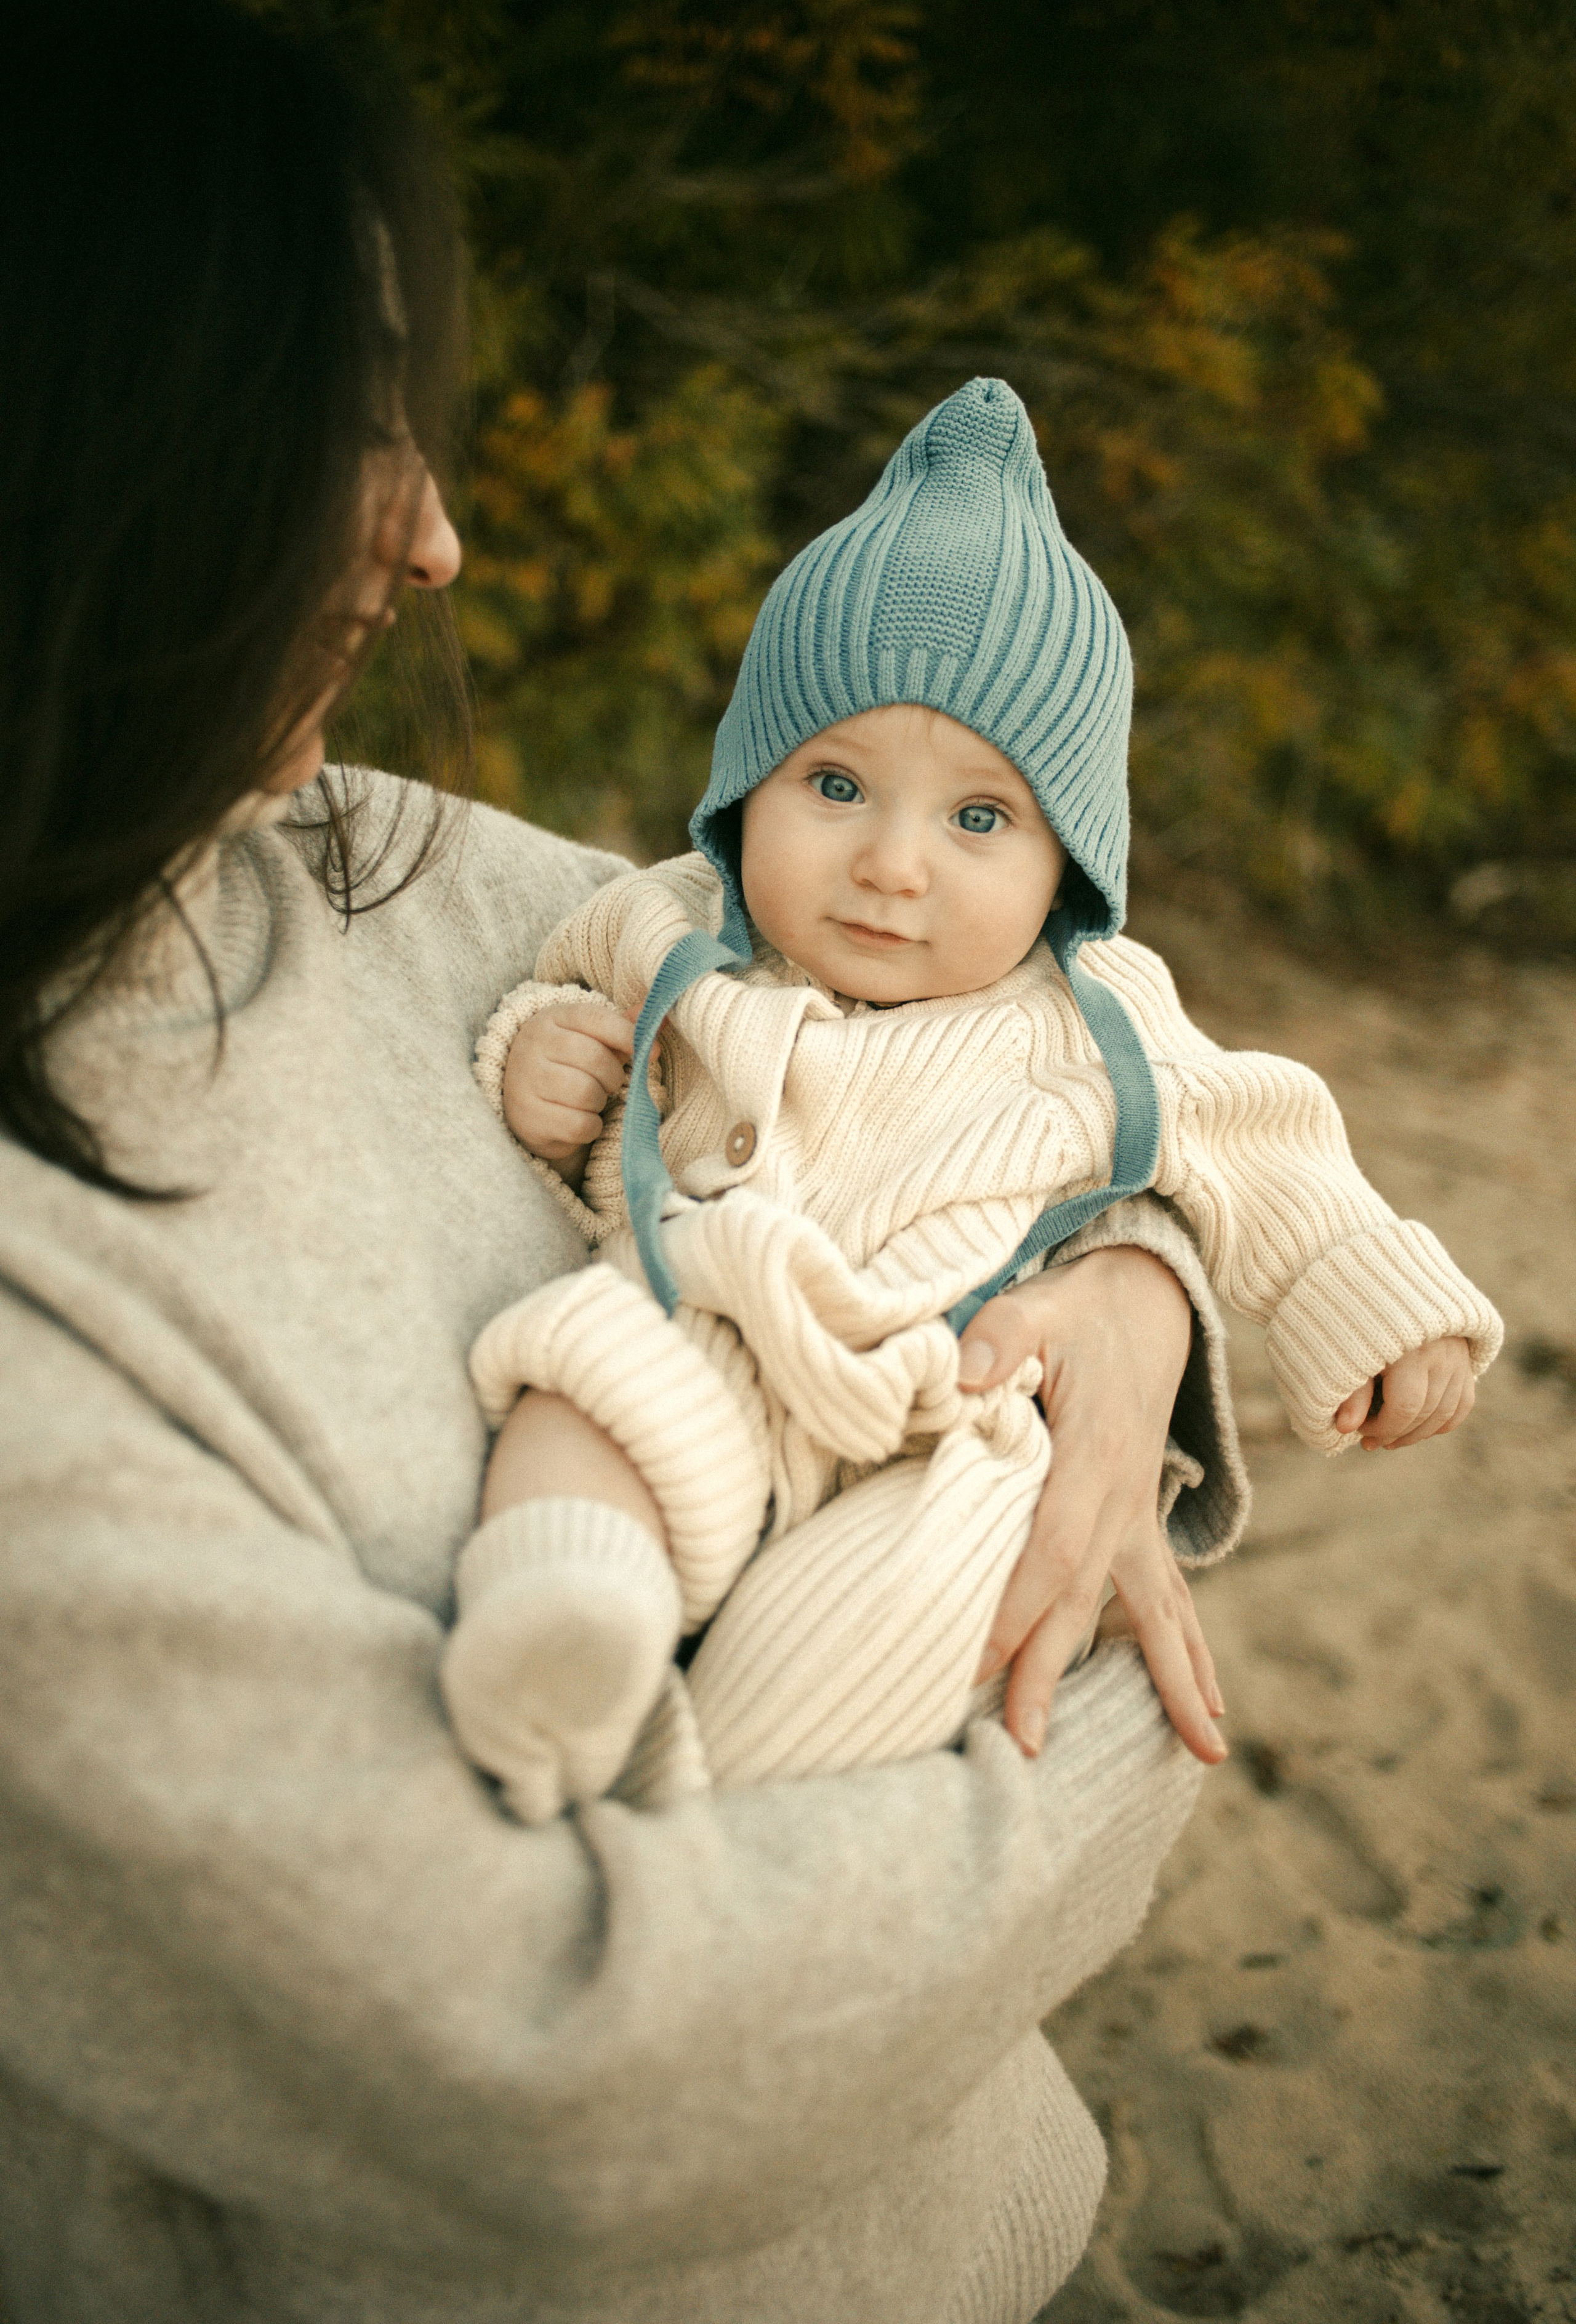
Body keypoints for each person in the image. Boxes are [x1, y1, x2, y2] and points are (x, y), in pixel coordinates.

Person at [0, 0, 1363, 2323]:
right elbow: (570, 2065)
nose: (433, 545)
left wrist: (1135, 1293)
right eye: (343, 422)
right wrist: (1122, 1717)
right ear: (93, 435)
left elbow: (987, 1078)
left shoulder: (361, 858)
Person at [438, 379, 1501, 1827]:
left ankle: (702, 1801)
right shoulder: (668, 922)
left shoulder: (1097, 1007)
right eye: (832, 784)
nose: (890, 863)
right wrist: (537, 1045)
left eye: (978, 819)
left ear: (1065, 866)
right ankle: (562, 1632)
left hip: (951, 1406)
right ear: (745, 785)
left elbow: (1263, 1145)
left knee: (903, 1603)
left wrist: (1387, 1305)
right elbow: (551, 987)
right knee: (584, 1388)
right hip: (708, 1314)